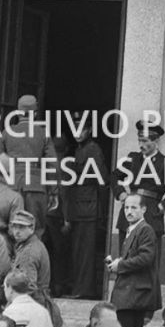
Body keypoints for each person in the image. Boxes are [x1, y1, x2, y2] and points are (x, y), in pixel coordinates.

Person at [114, 118, 165, 241]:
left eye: (145, 141)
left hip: (151, 215)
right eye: (139, 141)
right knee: (125, 257)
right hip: (128, 214)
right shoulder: (132, 158)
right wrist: (121, 193)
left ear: (156, 141)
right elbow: (114, 176)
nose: (141, 145)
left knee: (148, 257)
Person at [107, 192, 160, 327]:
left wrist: (120, 264)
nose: (129, 211)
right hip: (129, 295)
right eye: (126, 208)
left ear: (143, 209)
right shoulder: (133, 230)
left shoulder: (144, 229)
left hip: (134, 297)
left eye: (133, 208)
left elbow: (146, 258)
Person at [0, 95, 54, 231]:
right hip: (35, 186)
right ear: (36, 113)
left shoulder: (7, 132)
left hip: (11, 185)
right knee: (34, 230)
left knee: (10, 228)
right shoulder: (43, 133)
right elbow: (52, 165)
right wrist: (53, 192)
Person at [61, 125, 108, 299]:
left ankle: (84, 291)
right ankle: (79, 289)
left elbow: (102, 179)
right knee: (78, 252)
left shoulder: (93, 149)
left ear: (89, 131)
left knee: (85, 251)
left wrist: (102, 210)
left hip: (88, 207)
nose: (77, 134)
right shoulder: (81, 149)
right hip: (79, 207)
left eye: (81, 129)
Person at [8, 209, 61, 327]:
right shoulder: (31, 245)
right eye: (14, 227)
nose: (16, 231)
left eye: (21, 227)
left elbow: (28, 287)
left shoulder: (29, 252)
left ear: (31, 229)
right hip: (37, 305)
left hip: (32, 306)